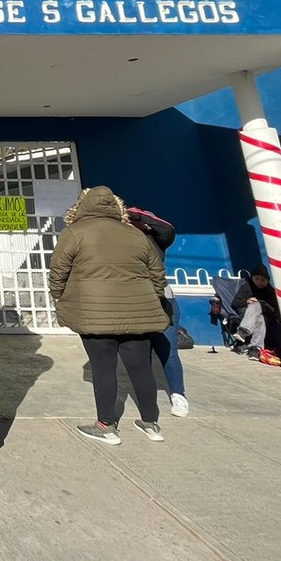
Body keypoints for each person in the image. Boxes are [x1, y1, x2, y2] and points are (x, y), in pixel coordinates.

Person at [49, 186, 169, 445]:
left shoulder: (74, 233)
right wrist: (150, 296)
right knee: (141, 367)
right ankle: (151, 423)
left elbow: (58, 271)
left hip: (95, 314)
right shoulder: (135, 235)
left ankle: (106, 425)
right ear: (117, 207)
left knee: (103, 368)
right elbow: (157, 274)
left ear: (83, 205)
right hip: (138, 312)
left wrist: (60, 297)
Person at [128, 205, 189, 418]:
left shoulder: (155, 240)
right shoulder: (121, 242)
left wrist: (134, 214)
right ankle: (147, 401)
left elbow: (167, 229)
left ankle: (178, 395)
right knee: (140, 354)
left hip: (162, 299)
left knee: (168, 350)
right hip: (134, 303)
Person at [231, 266, 281, 359]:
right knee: (259, 317)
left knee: (257, 307)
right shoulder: (246, 287)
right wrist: (247, 301)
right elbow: (235, 303)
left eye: (263, 280)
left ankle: (243, 331)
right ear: (252, 278)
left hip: (266, 313)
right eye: (257, 279)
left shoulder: (270, 291)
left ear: (267, 281)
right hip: (247, 315)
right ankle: (255, 349)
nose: (260, 282)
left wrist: (259, 302)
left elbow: (274, 308)